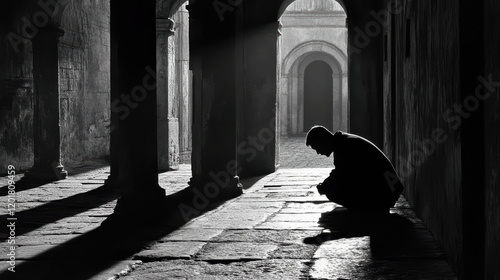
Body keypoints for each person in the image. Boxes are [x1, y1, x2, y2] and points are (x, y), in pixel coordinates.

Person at [306, 125, 404, 213]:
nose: (318, 152)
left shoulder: (344, 146)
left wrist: (325, 186)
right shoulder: (343, 141)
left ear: (323, 140)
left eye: (317, 148)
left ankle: (368, 208)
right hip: (391, 186)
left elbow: (341, 174)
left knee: (332, 191)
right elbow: (342, 171)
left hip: (387, 191)